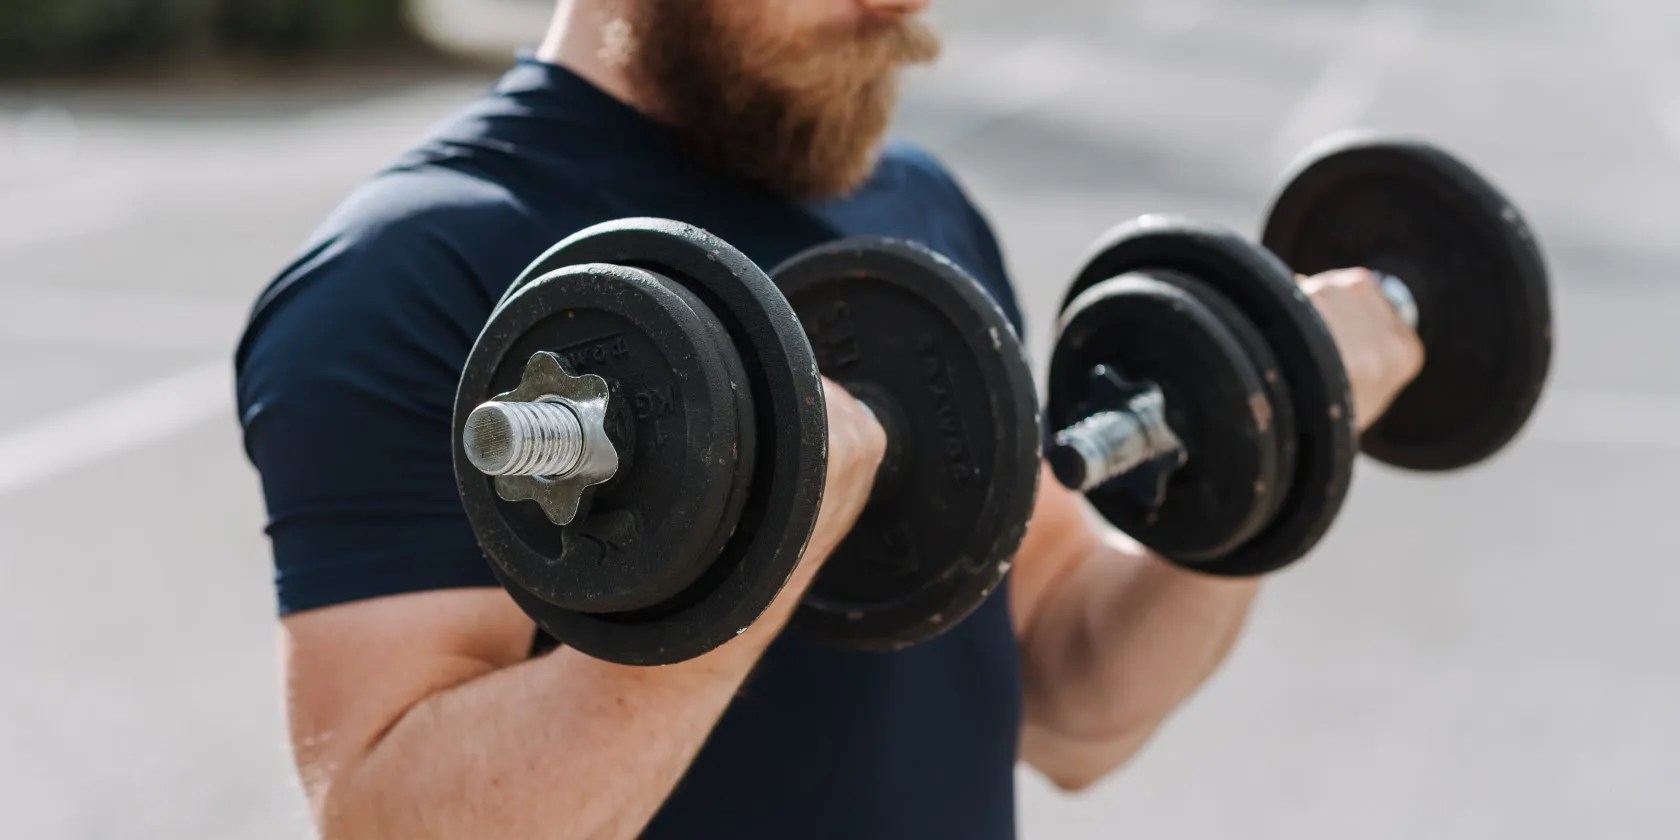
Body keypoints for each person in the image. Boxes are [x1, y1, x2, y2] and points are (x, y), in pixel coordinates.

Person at [233, 1, 1424, 837]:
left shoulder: (916, 213)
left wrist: (1270, 452)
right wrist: (752, 556)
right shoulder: (410, 271)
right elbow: (393, 824)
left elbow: (1066, 701)